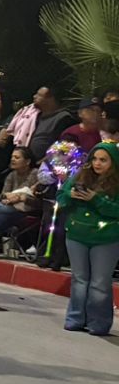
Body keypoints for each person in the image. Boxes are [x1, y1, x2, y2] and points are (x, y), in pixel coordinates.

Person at [57, 141, 119, 336]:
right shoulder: (80, 175)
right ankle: (75, 318)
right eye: (95, 159)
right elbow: (61, 197)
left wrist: (96, 199)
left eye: (103, 160)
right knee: (79, 279)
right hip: (77, 234)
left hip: (106, 237)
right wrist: (71, 194)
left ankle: (99, 323)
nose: (97, 164)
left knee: (100, 282)